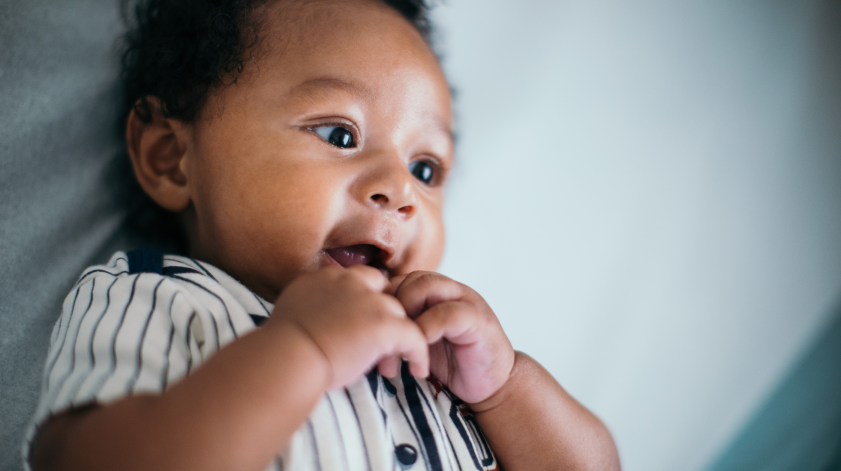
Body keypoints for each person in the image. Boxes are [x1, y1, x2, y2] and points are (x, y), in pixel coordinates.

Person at [24, 0, 621, 469]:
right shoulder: (152, 295)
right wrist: (302, 349)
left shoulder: (435, 351)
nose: (400, 190)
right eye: (340, 134)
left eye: (426, 169)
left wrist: (505, 385)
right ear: (172, 158)